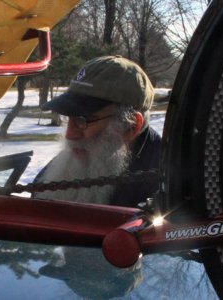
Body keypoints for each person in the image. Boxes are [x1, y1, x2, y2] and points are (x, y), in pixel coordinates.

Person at [33, 55, 161, 207]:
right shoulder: (76, 157)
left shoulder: (169, 184)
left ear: (130, 126)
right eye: (68, 118)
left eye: (82, 120)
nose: (70, 134)